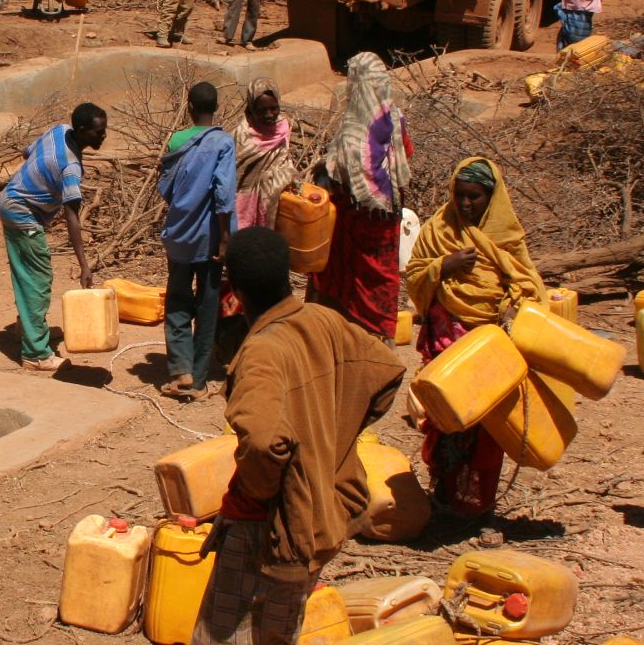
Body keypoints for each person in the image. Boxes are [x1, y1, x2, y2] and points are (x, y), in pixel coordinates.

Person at [193, 226, 403, 645]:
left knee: (220, 635)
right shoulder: (323, 319)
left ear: (232, 286)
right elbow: (386, 370)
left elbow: (262, 443)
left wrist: (265, 491)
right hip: (323, 512)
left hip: (267, 525)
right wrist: (336, 443)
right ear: (289, 273)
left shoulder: (261, 354)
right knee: (278, 633)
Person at [403, 157, 544, 516]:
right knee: (446, 420)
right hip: (446, 345)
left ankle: (481, 506)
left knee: (487, 429)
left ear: (492, 197)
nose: (466, 204)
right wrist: (442, 267)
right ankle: (444, 496)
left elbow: (527, 284)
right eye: (460, 195)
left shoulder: (507, 236)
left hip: (489, 348)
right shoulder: (438, 230)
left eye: (476, 197)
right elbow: (415, 275)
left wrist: (511, 310)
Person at [308, 53, 413, 340]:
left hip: (356, 218)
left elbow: (339, 172)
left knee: (345, 275)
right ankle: (382, 334)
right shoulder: (394, 116)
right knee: (382, 276)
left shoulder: (353, 128)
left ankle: (349, 334)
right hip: (387, 214)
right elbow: (406, 153)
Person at [0, 102, 107, 372]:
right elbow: (72, 217)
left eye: (104, 130)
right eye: (98, 132)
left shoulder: (59, 131)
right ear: (81, 131)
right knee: (38, 276)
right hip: (21, 212)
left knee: (28, 272)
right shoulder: (69, 167)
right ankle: (36, 353)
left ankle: (28, 327)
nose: (103, 136)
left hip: (12, 201)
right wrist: (84, 265)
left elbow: (28, 153)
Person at [158, 82, 237, 400]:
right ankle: (200, 379)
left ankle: (181, 369)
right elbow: (223, 192)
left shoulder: (177, 140)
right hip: (210, 237)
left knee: (177, 299)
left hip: (179, 234)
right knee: (207, 304)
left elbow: (165, 187)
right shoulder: (223, 143)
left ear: (189, 106)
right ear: (216, 107)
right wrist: (225, 239)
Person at [233, 81, 295, 229]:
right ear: (251, 108)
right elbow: (235, 176)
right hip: (244, 205)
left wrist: (281, 178)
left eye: (273, 108)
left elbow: (284, 160)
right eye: (262, 110)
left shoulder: (282, 127)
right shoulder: (242, 135)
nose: (269, 114)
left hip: (276, 200)